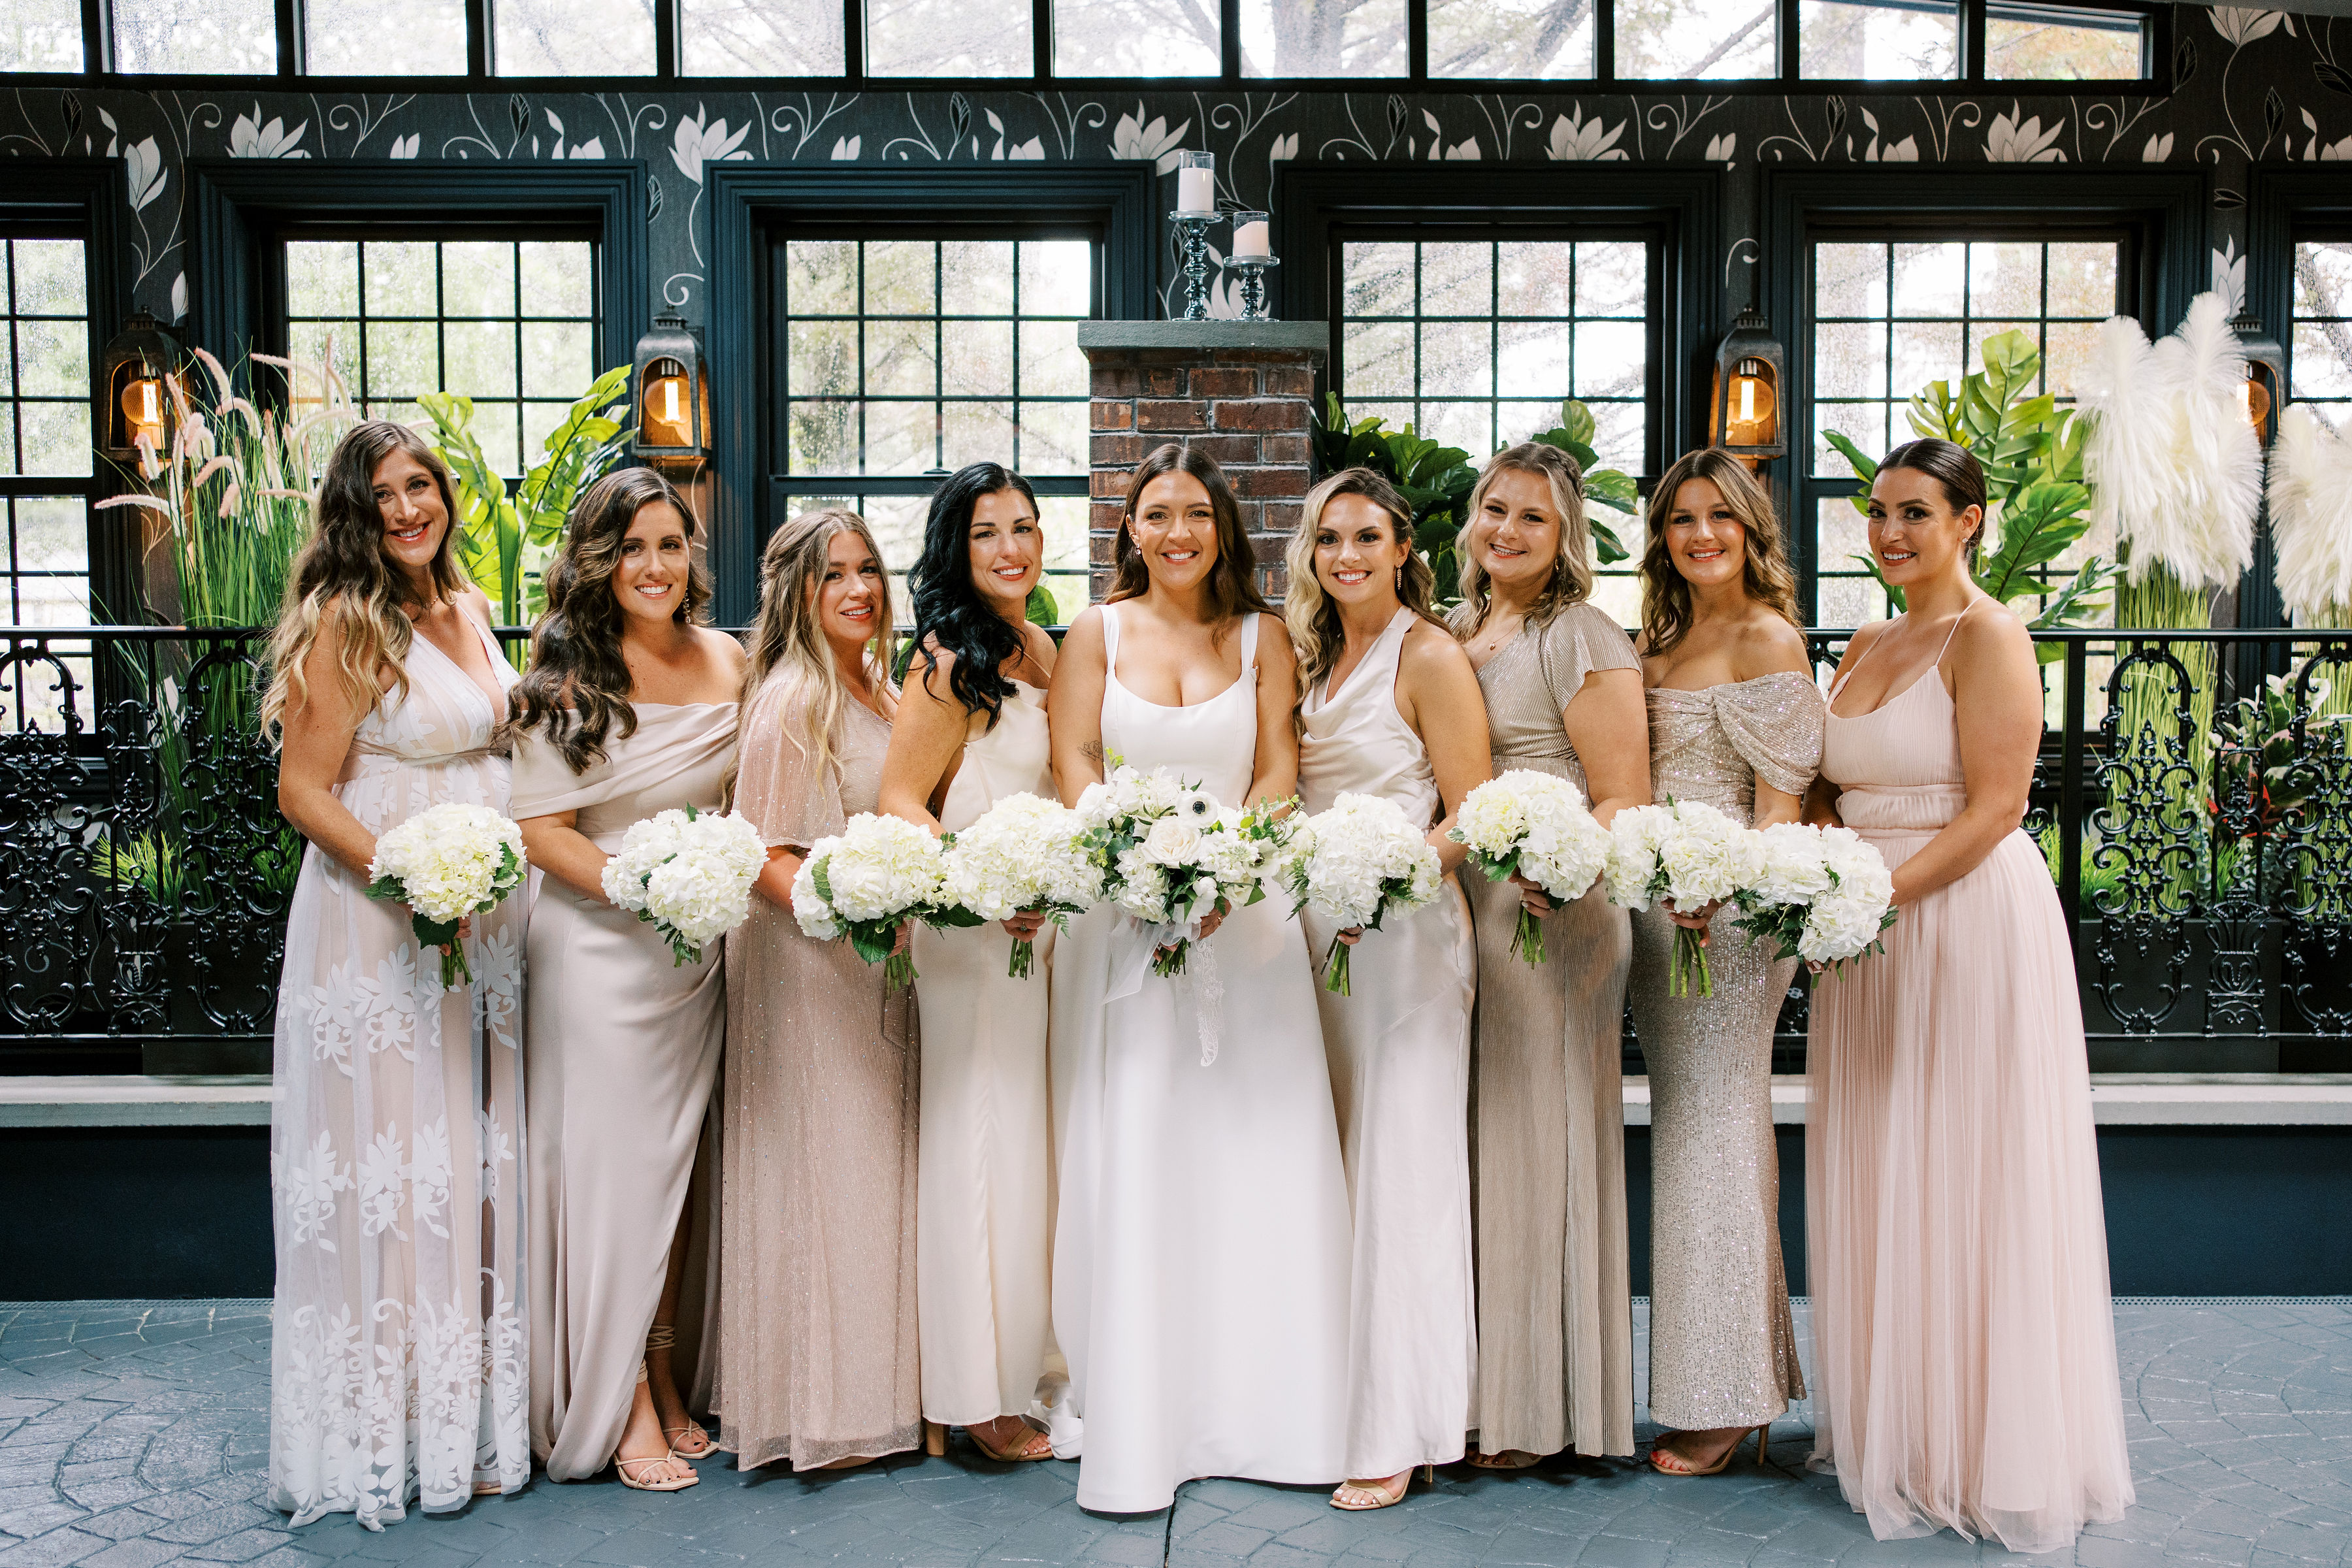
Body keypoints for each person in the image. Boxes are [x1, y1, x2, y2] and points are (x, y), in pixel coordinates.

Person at [1805, 437, 2133, 1552]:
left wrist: (1873, 900)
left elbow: (1997, 807)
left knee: (1964, 1164)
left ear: (1969, 521)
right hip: (1863, 930)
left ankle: (1983, 1444)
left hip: (1960, 919)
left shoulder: (1988, 635)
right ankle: (1900, 1425)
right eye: (1879, 511)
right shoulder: (1864, 641)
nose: (1890, 532)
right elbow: (1830, 787)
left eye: (1915, 512)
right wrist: (1815, 872)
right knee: (1885, 1159)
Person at [1046, 443, 1352, 1514]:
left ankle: (1269, 1402)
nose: (1177, 533)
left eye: (1196, 515)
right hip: (1124, 922)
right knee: (1145, 1137)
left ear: (1223, 529)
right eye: (1157, 514)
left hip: (1248, 921)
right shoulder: (1096, 632)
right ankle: (1146, 1404)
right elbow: (1075, 762)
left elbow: (1277, 769)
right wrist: (1133, 863)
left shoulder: (1264, 636)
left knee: (1253, 1144)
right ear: (1130, 529)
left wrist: (1225, 867)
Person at [265, 421, 529, 1528]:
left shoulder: (466, 605)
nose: (408, 509)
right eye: (383, 496)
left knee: (465, 1153)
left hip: (482, 924)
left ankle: (473, 1418)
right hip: (385, 920)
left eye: (421, 485)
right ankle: (396, 1431)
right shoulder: (348, 618)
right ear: (353, 514)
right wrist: (411, 879)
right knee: (405, 1153)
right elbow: (304, 790)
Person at [510, 468, 743, 1494]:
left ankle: (665, 1369)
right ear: (600, 562)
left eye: (671, 545)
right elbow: (540, 831)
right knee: (615, 1181)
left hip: (694, 960)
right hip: (598, 955)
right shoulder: (565, 682)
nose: (656, 567)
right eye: (633, 548)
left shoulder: (730, 659)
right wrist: (641, 884)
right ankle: (622, 1404)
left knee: (677, 1180)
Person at [1284, 469, 1490, 1511]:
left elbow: (1472, 810)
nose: (1347, 556)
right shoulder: (1314, 656)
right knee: (1340, 1169)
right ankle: (1337, 1398)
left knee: (1403, 1169)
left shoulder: (1431, 656)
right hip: (1321, 941)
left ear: (1404, 549)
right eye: (1329, 539)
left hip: (1405, 940)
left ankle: (1406, 1427)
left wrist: (1391, 873)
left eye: (1367, 537)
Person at [1448, 441, 1648, 1470]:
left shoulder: (1582, 634)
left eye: (1534, 516)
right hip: (1467, 904)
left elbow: (1622, 792)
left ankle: (1543, 1414)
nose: (1509, 531)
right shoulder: (1452, 630)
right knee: (1486, 1145)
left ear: (1565, 534)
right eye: (1496, 509)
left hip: (1552, 905)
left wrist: (1558, 869)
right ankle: (1480, 1394)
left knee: (1542, 1142)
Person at [1628, 449, 1821, 1477]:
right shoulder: (1656, 642)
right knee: (1692, 1133)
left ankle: (1727, 1396)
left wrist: (1719, 891)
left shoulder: (1767, 637)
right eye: (1682, 519)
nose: (1701, 535)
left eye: (1720, 517)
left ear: (1751, 530)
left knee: (1713, 1133)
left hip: (1730, 925)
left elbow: (1780, 813)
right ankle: (1739, 1377)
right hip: (1658, 916)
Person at [719, 508, 921, 1471]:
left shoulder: (877, 684)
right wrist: (850, 914)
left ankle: (878, 1390)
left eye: (868, 570)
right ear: (795, 591)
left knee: (868, 1172)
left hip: (872, 962)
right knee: (824, 1169)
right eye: (832, 574)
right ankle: (820, 1409)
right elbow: (763, 850)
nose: (857, 589)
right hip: (809, 967)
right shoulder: (795, 697)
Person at [876, 464, 1062, 1465]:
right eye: (988, 532)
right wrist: (987, 887)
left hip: (1039, 933)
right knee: (978, 1146)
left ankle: (1020, 1365)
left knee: (1025, 1148)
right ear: (959, 547)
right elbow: (902, 800)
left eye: (1024, 527)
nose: (1011, 548)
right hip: (974, 931)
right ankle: (969, 1396)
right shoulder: (948, 658)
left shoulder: (1042, 648)